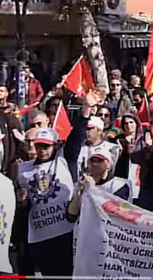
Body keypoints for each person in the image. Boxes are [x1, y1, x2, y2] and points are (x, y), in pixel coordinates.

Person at [16, 90, 97, 276]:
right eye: (39, 146)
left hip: (66, 233)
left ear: (54, 146)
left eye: (46, 146)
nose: (42, 150)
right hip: (39, 237)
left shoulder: (65, 159)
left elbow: (76, 136)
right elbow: (22, 206)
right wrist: (21, 200)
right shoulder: (24, 169)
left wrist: (86, 109)